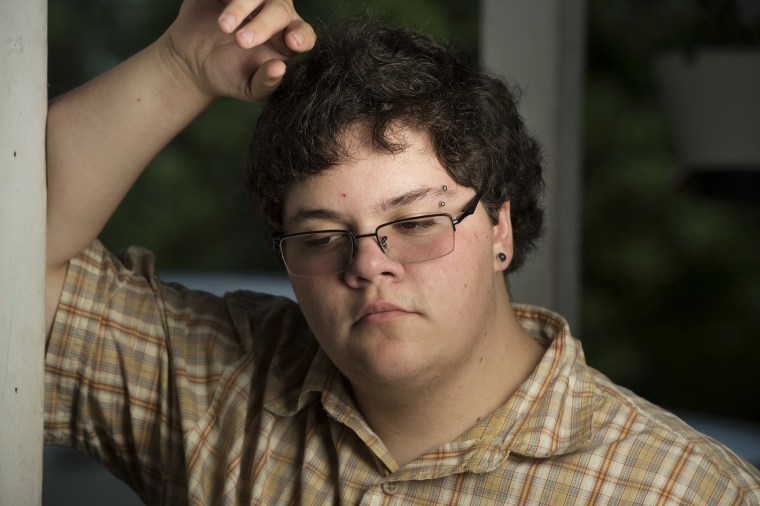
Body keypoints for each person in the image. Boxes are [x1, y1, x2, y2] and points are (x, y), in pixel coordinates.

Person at [45, 0, 760, 504]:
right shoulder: (213, 391)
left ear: (501, 230)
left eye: (416, 223)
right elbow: (16, 260)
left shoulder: (685, 491)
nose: (367, 264)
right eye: (322, 236)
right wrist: (179, 65)